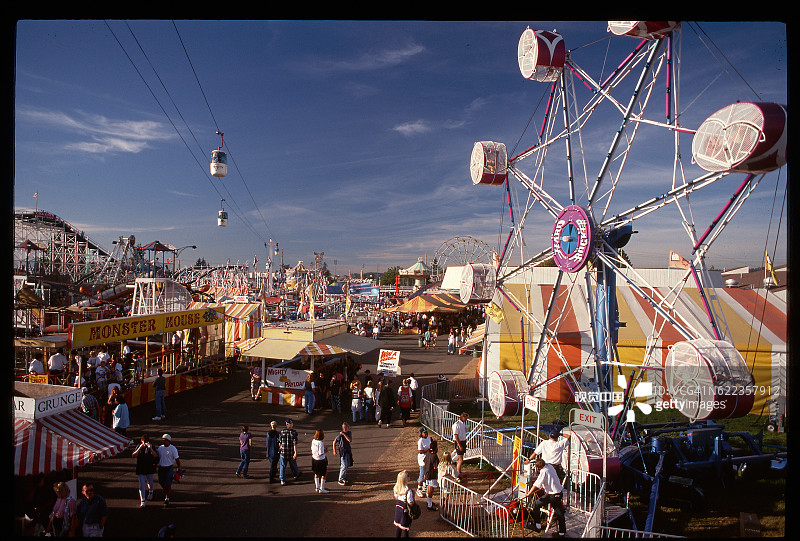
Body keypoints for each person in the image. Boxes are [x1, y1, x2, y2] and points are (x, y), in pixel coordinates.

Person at [520, 457, 566, 536]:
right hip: (559, 493)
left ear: (539, 467)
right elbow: (550, 478)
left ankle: (537, 526)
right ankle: (562, 533)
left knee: (535, 504)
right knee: (559, 513)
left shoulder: (543, 472)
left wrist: (529, 493)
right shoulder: (550, 467)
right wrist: (544, 486)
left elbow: (536, 484)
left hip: (552, 495)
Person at [132, 433, 158, 507]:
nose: (145, 443)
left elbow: (155, 455)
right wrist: (139, 448)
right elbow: (133, 455)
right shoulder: (138, 446)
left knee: (150, 482)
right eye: (144, 441)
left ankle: (151, 491)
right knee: (142, 484)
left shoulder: (151, 446)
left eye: (146, 441)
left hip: (149, 467)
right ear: (141, 441)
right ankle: (142, 500)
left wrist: (150, 448)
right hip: (141, 468)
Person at [156, 434, 182, 507]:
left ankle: (167, 498)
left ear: (168, 441)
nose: (163, 441)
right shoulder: (160, 448)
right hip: (161, 468)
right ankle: (167, 491)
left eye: (164, 440)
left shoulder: (173, 449)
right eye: (162, 440)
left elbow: (177, 460)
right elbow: (157, 458)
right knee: (161, 482)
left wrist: (179, 468)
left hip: (169, 468)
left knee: (168, 483)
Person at [278, 418, 301, 485]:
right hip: (291, 452)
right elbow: (295, 443)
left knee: (283, 466)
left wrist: (281, 448)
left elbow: (279, 443)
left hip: (283, 452)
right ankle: (296, 473)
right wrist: (295, 452)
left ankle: (282, 479)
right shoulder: (294, 433)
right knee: (293, 463)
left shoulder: (282, 432)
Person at [392, 470, 415, 538]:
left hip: (398, 508)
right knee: (405, 528)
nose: (409, 476)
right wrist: (413, 497)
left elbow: (396, 497)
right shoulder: (408, 491)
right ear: (405, 479)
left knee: (398, 526)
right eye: (408, 475)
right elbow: (410, 503)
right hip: (405, 511)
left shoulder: (396, 488)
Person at [423, 440, 440, 511]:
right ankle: (429, 505)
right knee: (431, 489)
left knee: (428, 488)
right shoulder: (434, 456)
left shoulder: (428, 454)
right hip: (432, 475)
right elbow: (435, 467)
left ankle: (428, 502)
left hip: (427, 473)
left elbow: (425, 462)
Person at [416, 427, 432, 497]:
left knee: (427, 472)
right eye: (424, 433)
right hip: (422, 459)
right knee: (422, 474)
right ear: (421, 434)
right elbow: (420, 451)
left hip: (428, 458)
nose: (426, 434)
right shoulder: (420, 441)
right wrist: (428, 450)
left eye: (426, 432)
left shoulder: (429, 438)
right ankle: (419, 489)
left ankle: (424, 485)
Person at [452, 412, 469, 476]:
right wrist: (459, 445)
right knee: (461, 459)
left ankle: (458, 471)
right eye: (466, 418)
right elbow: (456, 435)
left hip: (463, 441)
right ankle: (457, 474)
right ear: (462, 417)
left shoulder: (463, 423)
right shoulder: (457, 424)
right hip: (459, 442)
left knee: (460, 458)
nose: (466, 420)